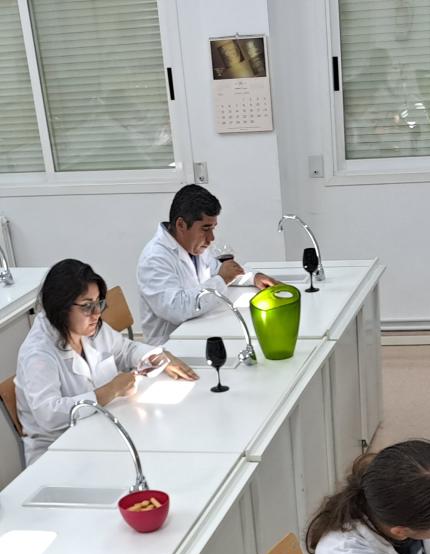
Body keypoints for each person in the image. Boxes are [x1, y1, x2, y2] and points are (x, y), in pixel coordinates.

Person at [14, 259, 197, 464]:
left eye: (99, 303)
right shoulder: (38, 353)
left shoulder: (89, 328)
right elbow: (48, 415)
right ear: (61, 306)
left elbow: (125, 349)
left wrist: (156, 356)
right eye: (87, 306)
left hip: (100, 430)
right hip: (60, 452)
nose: (96, 314)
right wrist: (109, 391)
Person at [136, 183, 278, 343]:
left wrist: (252, 278)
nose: (211, 238)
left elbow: (220, 271)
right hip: (173, 347)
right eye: (205, 228)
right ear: (181, 225)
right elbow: (176, 309)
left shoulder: (194, 247)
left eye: (213, 228)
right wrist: (222, 279)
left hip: (200, 329)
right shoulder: (154, 259)